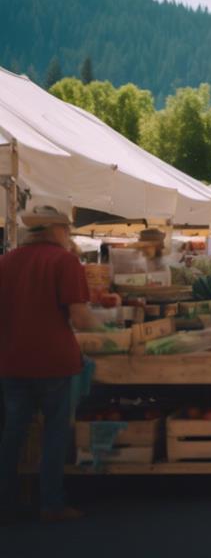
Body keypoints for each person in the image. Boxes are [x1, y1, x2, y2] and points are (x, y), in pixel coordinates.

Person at [0, 206, 102, 523]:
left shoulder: (5, 262)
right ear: (55, 230)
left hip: (12, 360)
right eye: (67, 230)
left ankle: (5, 503)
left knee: (13, 433)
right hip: (54, 361)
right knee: (55, 433)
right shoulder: (64, 261)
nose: (69, 236)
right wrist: (106, 330)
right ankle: (52, 504)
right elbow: (80, 317)